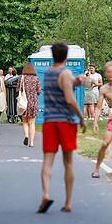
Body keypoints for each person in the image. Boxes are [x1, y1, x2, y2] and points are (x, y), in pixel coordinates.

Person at [38, 42, 87, 213]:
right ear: (66, 56)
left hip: (49, 121)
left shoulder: (48, 73)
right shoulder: (65, 73)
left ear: (53, 55)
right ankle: (68, 202)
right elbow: (69, 99)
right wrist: (81, 118)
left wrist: (77, 82)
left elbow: (65, 84)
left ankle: (45, 193)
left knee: (48, 161)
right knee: (68, 163)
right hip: (65, 121)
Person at [18, 63, 42, 147]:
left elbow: (18, 89)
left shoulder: (22, 78)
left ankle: (26, 135)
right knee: (32, 123)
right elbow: (39, 91)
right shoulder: (36, 78)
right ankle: (31, 142)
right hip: (33, 102)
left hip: (24, 103)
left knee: (25, 121)